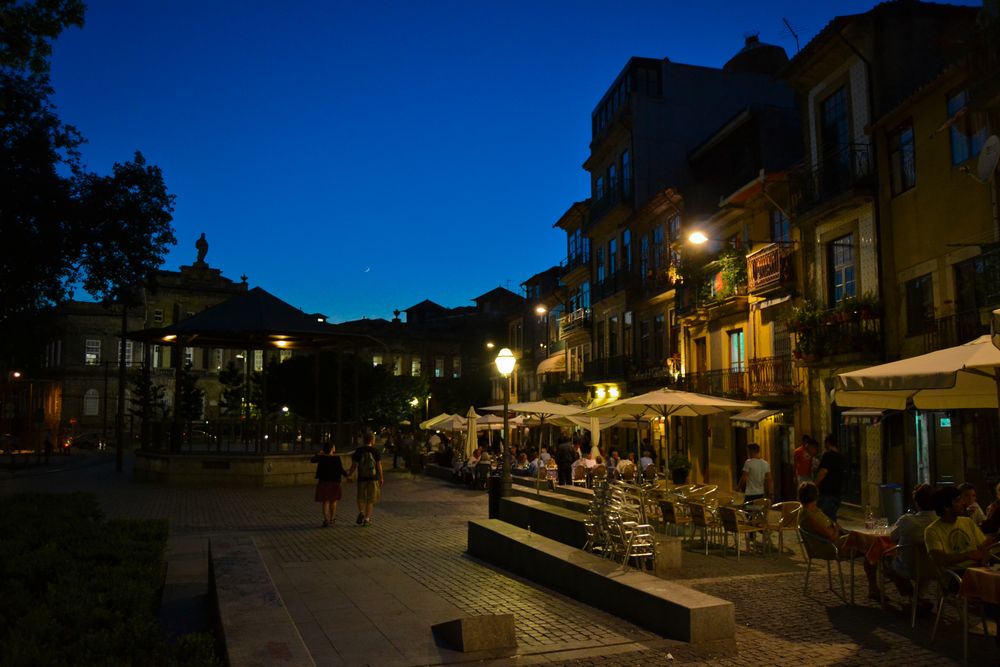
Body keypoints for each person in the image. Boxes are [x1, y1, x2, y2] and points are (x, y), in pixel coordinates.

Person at [798, 481, 880, 600]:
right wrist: (836, 528)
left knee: (870, 544)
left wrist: (837, 528)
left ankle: (876, 585)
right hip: (832, 547)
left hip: (832, 543)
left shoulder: (813, 511)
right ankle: (882, 579)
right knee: (871, 544)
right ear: (816, 495)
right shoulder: (809, 515)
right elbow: (832, 535)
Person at [882, 484, 936, 607]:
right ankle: (918, 597)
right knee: (923, 562)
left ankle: (912, 595)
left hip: (908, 567)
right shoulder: (939, 521)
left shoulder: (907, 520)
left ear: (916, 503)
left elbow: (891, 536)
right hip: (934, 568)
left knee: (886, 560)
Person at [925, 485, 996, 571]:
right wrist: (968, 555)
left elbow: (983, 547)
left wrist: (983, 559)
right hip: (956, 575)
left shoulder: (967, 522)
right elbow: (939, 559)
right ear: (946, 507)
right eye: (958, 501)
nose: (963, 503)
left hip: (976, 570)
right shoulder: (932, 530)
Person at [349, 432, 384, 527]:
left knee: (360, 496)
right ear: (372, 440)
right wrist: (381, 477)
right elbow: (379, 466)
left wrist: (349, 474)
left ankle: (361, 512)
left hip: (362, 478)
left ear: (363, 440)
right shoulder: (375, 451)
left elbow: (354, 465)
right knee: (370, 499)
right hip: (373, 478)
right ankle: (367, 519)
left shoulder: (359, 451)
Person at [310, 442, 347, 527]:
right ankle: (332, 519)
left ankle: (326, 519)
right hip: (335, 482)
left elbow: (312, 460)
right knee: (333, 501)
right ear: (332, 449)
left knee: (325, 501)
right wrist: (347, 476)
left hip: (323, 481)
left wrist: (319, 454)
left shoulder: (321, 458)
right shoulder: (336, 458)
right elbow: (340, 469)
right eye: (334, 447)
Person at [814, 434, 845, 523]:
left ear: (827, 443)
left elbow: (823, 472)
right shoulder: (841, 457)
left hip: (827, 493)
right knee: (831, 516)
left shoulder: (828, 456)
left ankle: (831, 535)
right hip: (837, 493)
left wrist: (815, 484)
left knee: (827, 519)